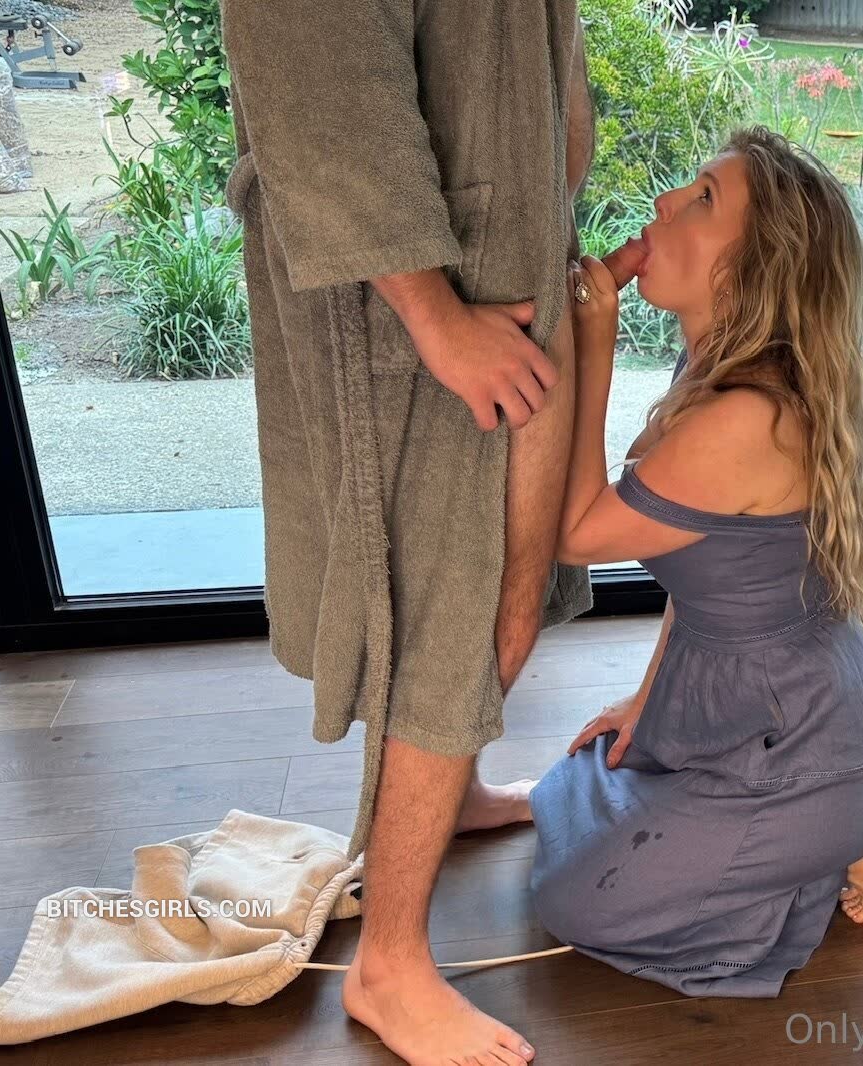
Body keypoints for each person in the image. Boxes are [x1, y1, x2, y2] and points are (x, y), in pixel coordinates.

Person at [220, 1, 602, 1061]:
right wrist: (431, 315)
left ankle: (456, 793)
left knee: (502, 585)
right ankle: (388, 963)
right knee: (453, 615)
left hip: (503, 259)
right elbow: (314, 60)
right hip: (423, 296)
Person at [526, 125, 863, 995]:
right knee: (580, 773)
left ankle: (837, 840)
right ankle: (843, 832)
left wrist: (591, 341)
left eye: (703, 198)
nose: (666, 200)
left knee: (573, 900)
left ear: (750, 270)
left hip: (806, 739)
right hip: (779, 697)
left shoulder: (742, 415)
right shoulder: (714, 375)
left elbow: (576, 534)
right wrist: (645, 701)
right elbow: (704, 570)